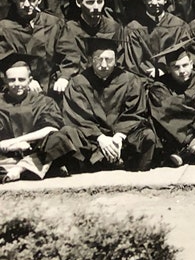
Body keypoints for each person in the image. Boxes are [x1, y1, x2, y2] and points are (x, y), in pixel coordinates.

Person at [61, 36, 158, 172]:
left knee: (147, 135)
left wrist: (119, 136)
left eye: (109, 60)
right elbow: (78, 117)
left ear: (116, 60)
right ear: (90, 60)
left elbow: (135, 112)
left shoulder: (130, 80)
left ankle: (127, 168)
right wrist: (100, 137)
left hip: (123, 139)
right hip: (92, 140)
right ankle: (102, 161)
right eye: (99, 59)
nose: (104, 65)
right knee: (68, 133)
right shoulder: (78, 83)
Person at [0, 52, 77, 182]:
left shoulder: (43, 101)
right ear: (5, 81)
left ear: (30, 80)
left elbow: (50, 129)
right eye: (12, 80)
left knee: (60, 138)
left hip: (36, 153)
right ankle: (34, 169)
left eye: (22, 79)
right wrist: (10, 146)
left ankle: (20, 169)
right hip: (6, 154)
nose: (17, 84)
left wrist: (14, 141)